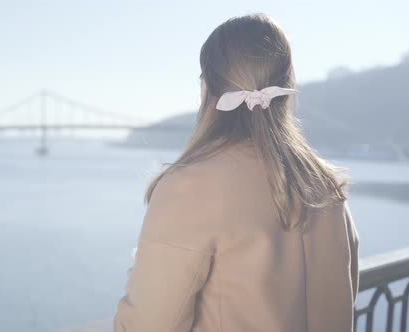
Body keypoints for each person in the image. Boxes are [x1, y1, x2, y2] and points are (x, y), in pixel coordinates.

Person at [113, 13, 360, 332]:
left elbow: (148, 325)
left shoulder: (189, 186)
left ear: (206, 89)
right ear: (286, 87)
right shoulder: (325, 185)